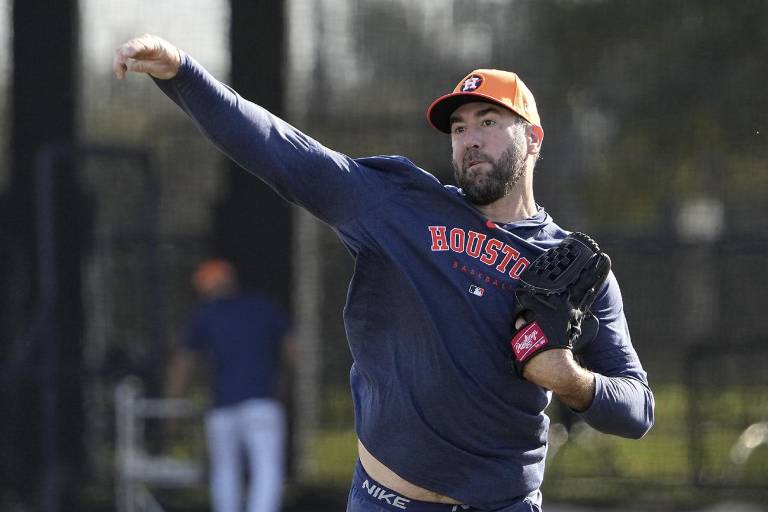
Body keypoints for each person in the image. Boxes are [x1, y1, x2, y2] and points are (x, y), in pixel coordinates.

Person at [114, 35, 655, 512]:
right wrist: (183, 72)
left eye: (489, 122)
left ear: (533, 138)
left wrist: (573, 382)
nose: (470, 139)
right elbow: (286, 155)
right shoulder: (399, 208)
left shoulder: (574, 269)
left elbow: (637, 409)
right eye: (459, 127)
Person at [165, 259, 294, 512]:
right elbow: (293, 347)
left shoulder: (205, 315)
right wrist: (285, 381)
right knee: (267, 470)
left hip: (222, 407)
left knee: (224, 473)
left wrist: (172, 405)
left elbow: (184, 362)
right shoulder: (263, 306)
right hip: (262, 403)